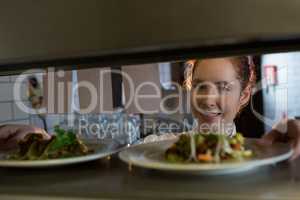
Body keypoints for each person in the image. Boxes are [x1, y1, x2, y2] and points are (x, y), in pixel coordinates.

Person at [185, 56, 300, 160]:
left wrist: (290, 130)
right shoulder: (170, 147)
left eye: (223, 88)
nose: (208, 100)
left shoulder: (256, 154)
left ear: (244, 96)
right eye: (200, 87)